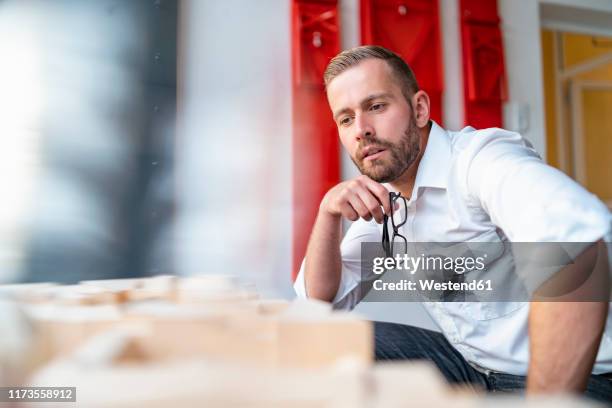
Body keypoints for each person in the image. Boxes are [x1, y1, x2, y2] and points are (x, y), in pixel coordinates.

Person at [293, 45, 612, 401]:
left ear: (419, 109)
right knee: (322, 342)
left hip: (581, 377)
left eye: (376, 106)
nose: (361, 130)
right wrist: (328, 213)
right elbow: (318, 304)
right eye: (346, 118)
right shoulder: (386, 198)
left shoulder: (480, 161)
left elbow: (578, 242)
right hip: (472, 366)